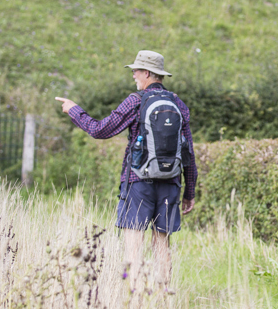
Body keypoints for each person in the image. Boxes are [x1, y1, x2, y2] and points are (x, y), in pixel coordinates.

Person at [55, 50, 197, 287]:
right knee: (162, 244)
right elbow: (188, 153)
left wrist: (74, 110)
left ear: (148, 74)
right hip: (170, 183)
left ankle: (135, 302)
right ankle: (163, 302)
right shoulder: (178, 104)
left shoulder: (136, 101)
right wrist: (189, 191)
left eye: (136, 71)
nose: (133, 75)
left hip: (138, 182)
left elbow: (100, 130)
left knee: (134, 245)